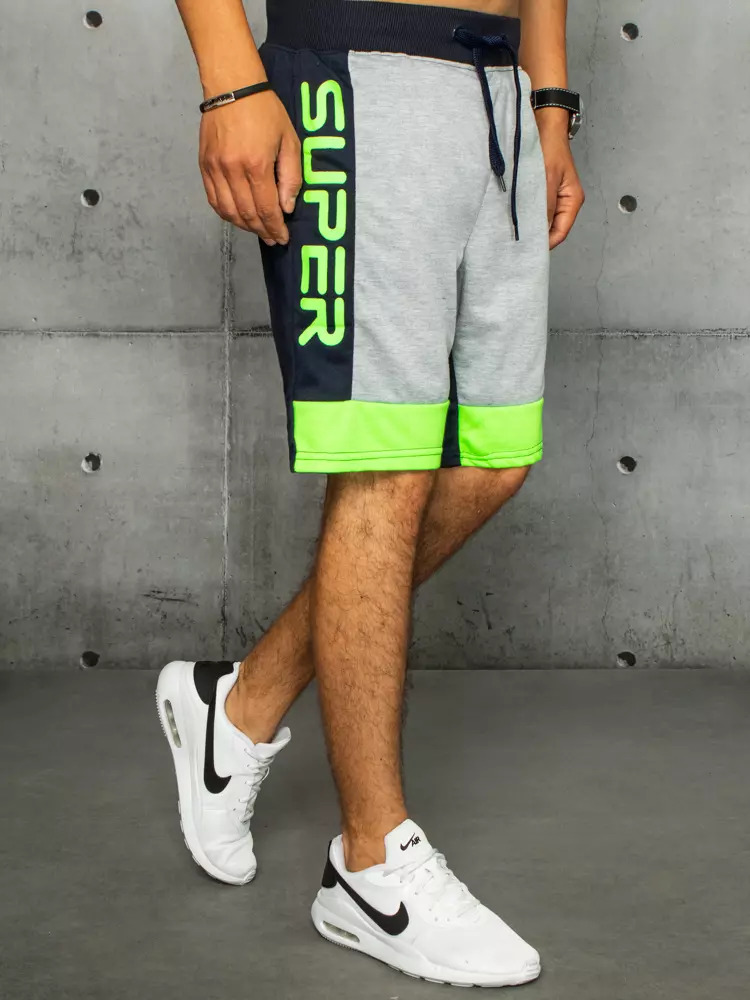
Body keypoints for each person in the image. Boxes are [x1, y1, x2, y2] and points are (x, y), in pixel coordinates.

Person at [157, 0, 584, 987]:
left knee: (492, 457)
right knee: (385, 466)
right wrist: (229, 78)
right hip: (358, 75)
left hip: (498, 92)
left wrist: (550, 102)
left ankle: (240, 704)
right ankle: (370, 863)